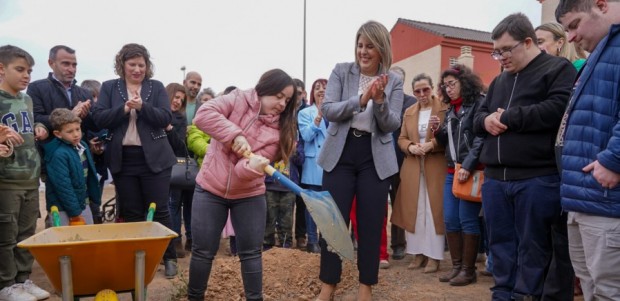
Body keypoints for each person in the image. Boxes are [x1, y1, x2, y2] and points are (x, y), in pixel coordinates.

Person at [472, 13, 577, 300]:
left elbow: (558, 108)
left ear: (528, 41)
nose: (501, 57)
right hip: (496, 180)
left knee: (534, 250)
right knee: (500, 246)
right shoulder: (499, 81)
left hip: (537, 178)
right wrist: (485, 122)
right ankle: (503, 294)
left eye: (506, 49)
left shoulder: (557, 69)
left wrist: (510, 117)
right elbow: (477, 116)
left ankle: (526, 296)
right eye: (497, 52)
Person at [187, 68, 298, 301]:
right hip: (210, 188)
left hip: (249, 194)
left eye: (286, 100)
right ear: (264, 88)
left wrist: (252, 167)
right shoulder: (238, 98)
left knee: (251, 254)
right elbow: (203, 115)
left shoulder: (281, 133)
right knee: (203, 251)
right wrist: (234, 134)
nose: (282, 104)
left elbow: (240, 174)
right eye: (278, 96)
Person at [316, 20, 404, 301]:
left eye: (369, 46)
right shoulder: (342, 71)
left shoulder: (395, 81)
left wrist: (379, 102)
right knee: (333, 223)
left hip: (374, 158)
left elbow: (391, 124)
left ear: (381, 49)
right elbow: (328, 110)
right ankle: (328, 285)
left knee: (370, 222)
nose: (362, 51)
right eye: (359, 45)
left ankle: (365, 287)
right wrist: (361, 98)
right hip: (340, 154)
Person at [92, 43, 178, 278]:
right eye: (132, 64)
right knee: (131, 212)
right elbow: (99, 118)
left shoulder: (156, 87)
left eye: (141, 64)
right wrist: (122, 109)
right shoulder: (110, 87)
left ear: (147, 66)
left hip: (155, 159)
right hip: (123, 159)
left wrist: (142, 107)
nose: (137, 69)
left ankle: (169, 256)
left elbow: (165, 118)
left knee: (160, 209)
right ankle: (138, 257)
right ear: (122, 65)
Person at [556, 1, 620, 299]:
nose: (570, 37)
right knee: (591, 284)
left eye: (574, 25)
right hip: (583, 197)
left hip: (605, 199)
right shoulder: (603, 51)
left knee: (609, 289)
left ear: (601, 5)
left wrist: (613, 160)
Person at [0, 44, 51, 301]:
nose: (26, 75)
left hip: (30, 179)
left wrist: (40, 126)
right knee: (5, 236)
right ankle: (6, 285)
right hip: (6, 181)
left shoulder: (28, 99)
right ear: (1, 69)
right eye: (20, 69)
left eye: (29, 70)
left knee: (26, 234)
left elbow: (28, 128)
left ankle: (23, 280)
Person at [432, 64, 485, 286]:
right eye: (445, 86)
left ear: (464, 82)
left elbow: (480, 138)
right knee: (450, 220)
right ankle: (456, 267)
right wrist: (438, 130)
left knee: (467, 220)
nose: (449, 89)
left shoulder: (477, 103)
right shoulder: (451, 110)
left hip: (470, 171)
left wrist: (469, 165)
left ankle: (468, 270)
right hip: (452, 171)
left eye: (452, 84)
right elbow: (448, 141)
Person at [391, 73, 448, 274]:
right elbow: (401, 138)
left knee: (434, 212)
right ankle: (417, 253)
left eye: (425, 89)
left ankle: (434, 256)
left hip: (435, 167)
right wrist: (411, 147)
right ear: (413, 92)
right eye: (417, 91)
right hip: (413, 168)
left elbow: (448, 135)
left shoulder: (444, 108)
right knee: (414, 211)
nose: (422, 94)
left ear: (432, 88)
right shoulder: (409, 112)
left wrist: (432, 144)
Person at [44, 108, 101, 226]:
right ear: (57, 134)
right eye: (69, 132)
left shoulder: (82, 145)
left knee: (87, 239)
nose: (76, 134)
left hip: (82, 203)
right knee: (65, 242)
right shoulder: (58, 153)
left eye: (78, 129)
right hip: (62, 209)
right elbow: (63, 187)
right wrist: (75, 213)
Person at [388, 66, 417, 261]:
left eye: (398, 80)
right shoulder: (379, 99)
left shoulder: (411, 103)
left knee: (399, 202)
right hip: (377, 161)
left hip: (402, 160)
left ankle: (399, 244)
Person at [297, 78, 328, 253]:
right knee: (312, 205)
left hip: (332, 164)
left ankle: (325, 239)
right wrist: (319, 116)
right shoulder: (305, 113)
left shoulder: (336, 111)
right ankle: (312, 240)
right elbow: (307, 136)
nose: (321, 90)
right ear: (312, 92)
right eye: (317, 88)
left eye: (325, 87)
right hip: (313, 163)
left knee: (328, 205)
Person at [164, 83, 189, 258]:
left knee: (173, 204)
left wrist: (169, 128)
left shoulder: (180, 119)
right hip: (154, 167)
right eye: (176, 97)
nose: (178, 101)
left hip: (173, 168)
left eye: (182, 99)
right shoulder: (154, 113)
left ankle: (175, 242)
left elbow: (181, 147)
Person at [292, 78, 308, 249]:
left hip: (305, 159)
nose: (296, 96)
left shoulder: (309, 110)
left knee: (302, 199)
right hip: (288, 160)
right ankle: (285, 235)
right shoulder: (284, 110)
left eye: (298, 93)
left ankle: (301, 236)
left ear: (303, 93)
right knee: (286, 199)